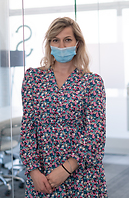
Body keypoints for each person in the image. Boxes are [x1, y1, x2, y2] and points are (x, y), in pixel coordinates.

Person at [20, 17, 108, 197]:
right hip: (43, 178)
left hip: (82, 176)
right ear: (49, 44)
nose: (61, 45)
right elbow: (28, 128)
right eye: (56, 40)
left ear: (77, 43)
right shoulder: (33, 79)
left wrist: (66, 169)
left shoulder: (92, 83)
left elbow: (95, 132)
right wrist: (33, 171)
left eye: (67, 39)